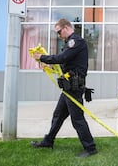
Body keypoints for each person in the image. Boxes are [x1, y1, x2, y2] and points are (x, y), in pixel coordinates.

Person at [30, 18, 97, 158]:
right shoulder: (69, 43)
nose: (58, 35)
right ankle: (48, 141)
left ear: (66, 27)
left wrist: (42, 57)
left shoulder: (76, 41)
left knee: (77, 119)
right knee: (58, 115)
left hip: (74, 87)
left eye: (59, 32)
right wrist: (49, 66)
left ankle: (90, 148)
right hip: (68, 87)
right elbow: (65, 63)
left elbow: (62, 57)